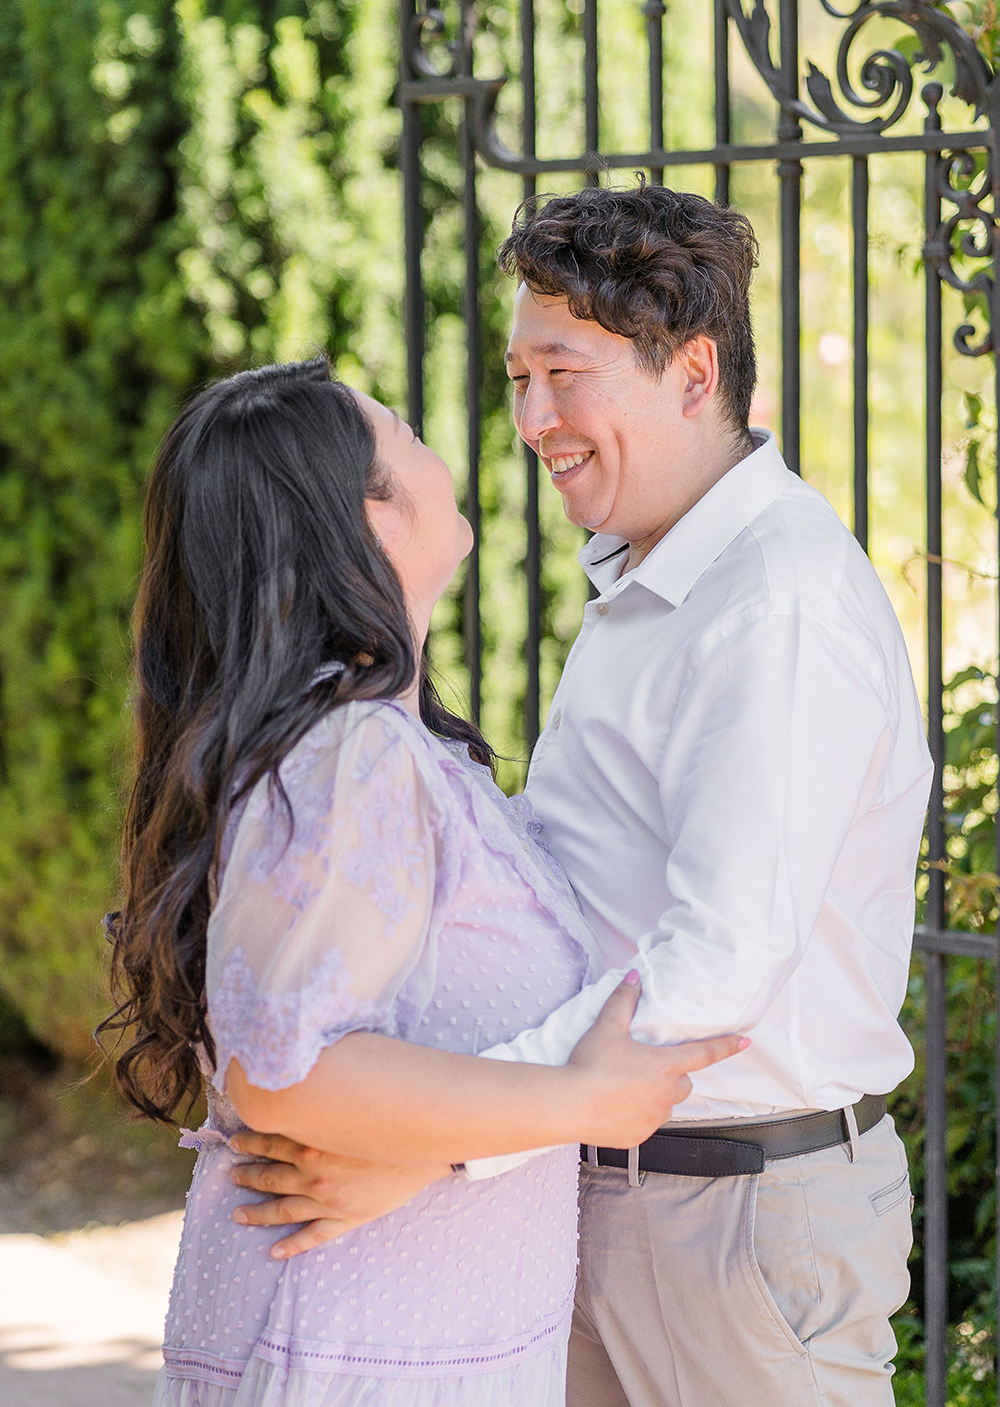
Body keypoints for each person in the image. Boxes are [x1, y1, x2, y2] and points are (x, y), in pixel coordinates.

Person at [228, 185, 933, 1407]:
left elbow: (716, 968)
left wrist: (443, 1145)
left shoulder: (776, 606)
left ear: (695, 372)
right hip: (606, 1187)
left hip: (732, 1221)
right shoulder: (653, 577)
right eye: (516, 379)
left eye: (563, 374)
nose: (530, 419)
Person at [99, 356, 743, 1407]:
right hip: (356, 1350)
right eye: (402, 430)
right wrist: (577, 1100)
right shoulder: (351, 755)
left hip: (399, 1335)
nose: (444, 443)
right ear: (367, 516)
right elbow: (287, 1072)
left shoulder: (387, 749)